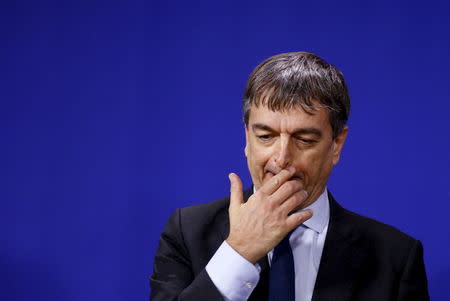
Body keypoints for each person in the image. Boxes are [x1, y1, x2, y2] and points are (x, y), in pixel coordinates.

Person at [150, 52, 429, 301]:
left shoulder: (395, 257)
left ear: (336, 145)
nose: (282, 158)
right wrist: (239, 252)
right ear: (247, 138)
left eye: (305, 139)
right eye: (266, 136)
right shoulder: (187, 232)